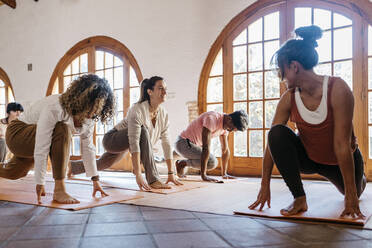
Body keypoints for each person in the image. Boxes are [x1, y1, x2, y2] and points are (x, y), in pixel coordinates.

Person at [249, 25, 366, 218]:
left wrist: (351, 197)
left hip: (341, 159)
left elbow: (341, 144)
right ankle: (299, 199)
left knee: (354, 189)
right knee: (277, 132)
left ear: (294, 67)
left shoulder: (337, 89)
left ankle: (358, 180)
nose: (282, 78)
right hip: (311, 158)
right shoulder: (289, 97)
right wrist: (264, 184)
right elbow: (272, 143)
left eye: (282, 71)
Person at [0, 74, 114, 204]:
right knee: (62, 128)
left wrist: (95, 181)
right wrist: (40, 182)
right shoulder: (56, 107)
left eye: (97, 109)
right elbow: (42, 145)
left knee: (14, 173)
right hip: (17, 133)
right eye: (92, 107)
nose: (93, 113)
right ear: (81, 100)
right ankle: (59, 190)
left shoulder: (90, 118)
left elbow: (88, 148)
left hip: (33, 138)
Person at [68, 76, 183, 190]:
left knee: (103, 163)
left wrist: (171, 173)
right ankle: (153, 179)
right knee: (143, 130)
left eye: (165, 89)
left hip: (126, 143)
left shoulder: (163, 114)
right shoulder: (137, 109)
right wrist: (138, 173)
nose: (165, 92)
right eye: (160, 88)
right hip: (112, 139)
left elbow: (167, 143)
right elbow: (134, 141)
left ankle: (72, 167)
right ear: (150, 92)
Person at [175, 110, 248, 182]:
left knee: (212, 163)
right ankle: (181, 163)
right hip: (183, 143)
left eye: (233, 130)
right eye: (232, 128)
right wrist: (204, 176)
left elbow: (225, 150)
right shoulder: (212, 119)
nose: (231, 131)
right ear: (229, 119)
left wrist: (224, 174)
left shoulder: (226, 127)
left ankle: (181, 162)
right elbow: (205, 147)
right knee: (212, 162)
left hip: (193, 146)